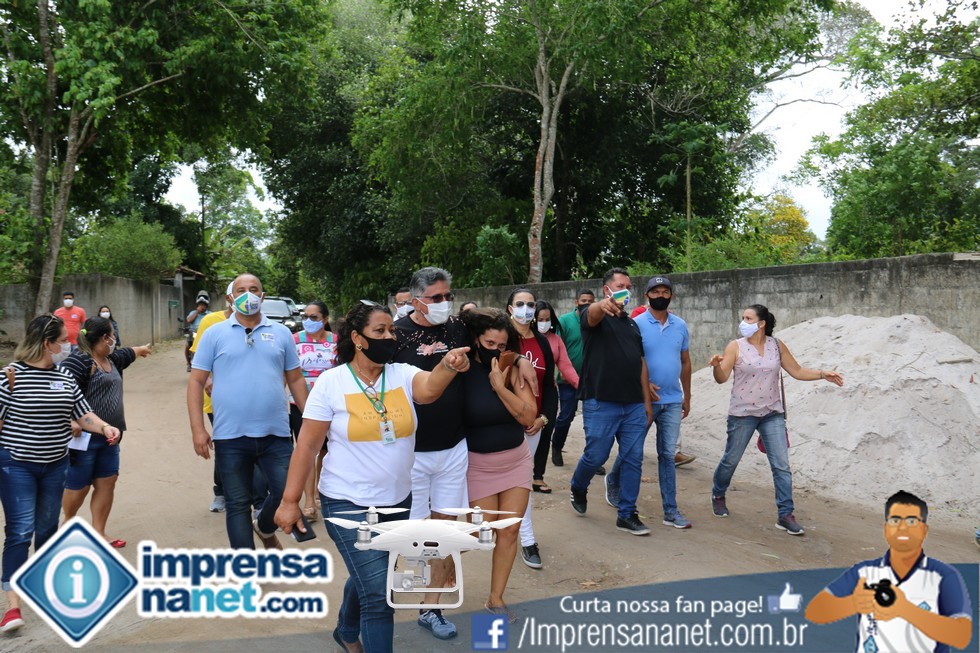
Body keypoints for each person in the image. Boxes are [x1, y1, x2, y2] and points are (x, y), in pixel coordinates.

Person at [275, 300, 470, 653]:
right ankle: (357, 634)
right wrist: (290, 501)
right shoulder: (331, 383)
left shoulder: (401, 374)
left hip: (397, 500)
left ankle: (346, 630)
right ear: (357, 338)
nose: (390, 337)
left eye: (391, 330)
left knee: (367, 573)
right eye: (380, 331)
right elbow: (307, 446)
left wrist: (448, 365)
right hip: (346, 501)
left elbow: (429, 389)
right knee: (380, 594)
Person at [392, 267, 538, 640]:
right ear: (416, 299)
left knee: (454, 532)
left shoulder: (458, 327)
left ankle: (435, 606)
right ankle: (384, 594)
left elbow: (500, 331)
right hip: (413, 451)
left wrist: (520, 359)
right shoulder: (396, 335)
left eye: (448, 296)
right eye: (436, 297)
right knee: (416, 536)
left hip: (456, 452)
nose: (444, 303)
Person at [0, 315, 122, 633]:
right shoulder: (10, 376)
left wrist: (105, 427)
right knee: (20, 531)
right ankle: (13, 607)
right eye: (63, 341)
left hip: (55, 465)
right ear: (47, 343)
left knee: (47, 529)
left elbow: (83, 413)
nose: (68, 346)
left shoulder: (65, 378)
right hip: (17, 465)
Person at [188, 273, 309, 550]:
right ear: (230, 298)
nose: (248, 295)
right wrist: (198, 429)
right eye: (241, 290)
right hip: (230, 435)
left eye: (254, 289)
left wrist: (312, 420)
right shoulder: (214, 334)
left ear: (262, 296)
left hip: (276, 433)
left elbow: (295, 378)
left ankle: (265, 528)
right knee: (238, 503)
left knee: (287, 493)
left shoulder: (281, 333)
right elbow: (196, 381)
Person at [709, 304, 844, 535]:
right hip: (742, 414)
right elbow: (721, 378)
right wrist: (715, 367)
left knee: (781, 466)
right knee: (731, 459)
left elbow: (797, 371)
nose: (743, 322)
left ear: (761, 324)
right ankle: (718, 494)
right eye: (743, 318)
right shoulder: (735, 346)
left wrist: (822, 374)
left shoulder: (777, 345)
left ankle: (785, 514)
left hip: (772, 413)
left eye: (748, 318)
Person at [805, 491, 972, 652]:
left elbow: (962, 636)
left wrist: (905, 609)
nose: (902, 527)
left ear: (924, 530)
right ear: (886, 529)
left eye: (912, 521)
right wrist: (853, 603)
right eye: (895, 520)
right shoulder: (865, 572)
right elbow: (815, 612)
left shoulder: (943, 576)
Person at [459, 308, 537, 621]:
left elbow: (528, 416)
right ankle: (440, 566)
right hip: (478, 465)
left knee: (510, 530)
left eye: (503, 345)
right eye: (490, 343)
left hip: (516, 461)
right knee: (479, 533)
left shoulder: (513, 369)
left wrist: (501, 387)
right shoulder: (462, 371)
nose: (496, 350)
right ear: (476, 339)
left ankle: (496, 598)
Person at [569, 268, 654, 535]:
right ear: (607, 290)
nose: (626, 290)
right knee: (596, 456)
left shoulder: (632, 325)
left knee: (633, 458)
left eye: (629, 286)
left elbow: (640, 362)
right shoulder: (593, 316)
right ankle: (578, 486)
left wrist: (646, 402)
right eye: (620, 286)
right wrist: (600, 305)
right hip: (601, 401)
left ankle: (627, 513)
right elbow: (592, 314)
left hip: (633, 404)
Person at [606, 276, 693, 529]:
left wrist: (687, 396)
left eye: (665, 291)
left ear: (671, 296)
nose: (661, 295)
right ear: (647, 296)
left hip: (673, 400)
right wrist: (644, 385)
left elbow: (685, 361)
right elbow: (627, 360)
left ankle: (671, 511)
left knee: (667, 454)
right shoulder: (636, 323)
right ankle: (613, 479)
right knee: (632, 449)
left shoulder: (680, 325)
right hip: (642, 400)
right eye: (656, 291)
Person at [60, 318, 152, 549]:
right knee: (79, 485)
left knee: (107, 481)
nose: (115, 339)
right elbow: (63, 394)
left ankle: (99, 533)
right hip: (84, 438)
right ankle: (67, 525)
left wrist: (141, 349)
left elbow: (129, 353)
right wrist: (70, 420)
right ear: (104, 338)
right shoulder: (79, 362)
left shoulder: (111, 359)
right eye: (112, 335)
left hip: (111, 437)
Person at [504, 289, 558, 571]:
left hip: (532, 426)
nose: (525, 309)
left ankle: (526, 539)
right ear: (509, 308)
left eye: (530, 304)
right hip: (503, 424)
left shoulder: (542, 341)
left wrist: (544, 418)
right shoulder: (501, 338)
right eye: (520, 304)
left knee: (522, 483)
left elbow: (549, 385)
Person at [291, 300, 336, 521]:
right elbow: (288, 372)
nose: (308, 321)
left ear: (325, 319)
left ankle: (320, 492)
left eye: (314, 317)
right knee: (307, 450)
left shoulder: (336, 342)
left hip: (331, 405)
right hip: (300, 405)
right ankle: (309, 501)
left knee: (326, 450)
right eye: (305, 317)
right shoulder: (294, 340)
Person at [530, 298, 578, 495]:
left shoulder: (556, 340)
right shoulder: (522, 338)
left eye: (547, 319)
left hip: (548, 392)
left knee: (545, 432)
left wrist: (581, 386)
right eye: (540, 319)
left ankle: (538, 476)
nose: (544, 323)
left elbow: (566, 366)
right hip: (524, 393)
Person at [552, 289, 594, 468]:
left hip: (592, 379)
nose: (587, 304)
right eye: (583, 300)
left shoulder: (596, 321)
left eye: (590, 301)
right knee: (566, 416)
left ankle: (592, 457)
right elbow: (556, 347)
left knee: (592, 420)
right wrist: (562, 370)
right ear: (576, 302)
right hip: (568, 380)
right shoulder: (565, 321)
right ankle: (556, 446)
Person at [184, 297, 209, 372]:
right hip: (194, 333)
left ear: (206, 306)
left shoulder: (210, 314)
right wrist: (197, 312)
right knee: (187, 346)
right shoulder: (193, 313)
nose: (202, 307)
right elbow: (189, 320)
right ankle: (189, 364)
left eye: (203, 305)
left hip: (205, 334)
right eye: (200, 305)